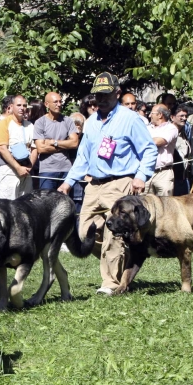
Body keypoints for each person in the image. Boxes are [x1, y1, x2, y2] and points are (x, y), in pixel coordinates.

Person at [57, 72, 157, 296]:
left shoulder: (130, 119)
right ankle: (126, 256)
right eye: (97, 96)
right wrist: (68, 182)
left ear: (117, 93)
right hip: (93, 185)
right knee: (85, 233)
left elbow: (149, 150)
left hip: (120, 183)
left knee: (114, 233)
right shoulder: (91, 122)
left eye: (105, 95)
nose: (100, 99)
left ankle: (111, 283)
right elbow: (82, 157)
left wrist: (141, 176)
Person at [0, 94, 37, 200]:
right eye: (19, 105)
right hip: (8, 169)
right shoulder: (3, 124)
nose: (22, 108)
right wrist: (18, 168)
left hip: (26, 170)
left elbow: (34, 148)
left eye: (24, 105)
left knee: (26, 205)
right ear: (11, 107)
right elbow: (2, 149)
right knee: (7, 206)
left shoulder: (30, 125)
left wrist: (29, 167)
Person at [33, 92, 79, 190]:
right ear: (47, 104)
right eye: (55, 102)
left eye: (60, 101)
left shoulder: (68, 121)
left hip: (66, 169)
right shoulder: (40, 122)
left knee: (65, 203)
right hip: (47, 170)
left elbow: (74, 143)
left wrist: (54, 142)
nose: (59, 104)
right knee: (46, 203)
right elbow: (41, 148)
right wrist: (65, 145)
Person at [145, 104, 178, 196]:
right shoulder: (146, 128)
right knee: (143, 204)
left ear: (160, 115)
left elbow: (159, 141)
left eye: (152, 113)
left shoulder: (171, 128)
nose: (149, 115)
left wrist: (142, 141)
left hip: (163, 173)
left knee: (165, 205)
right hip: (146, 172)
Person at [171, 105, 193, 196]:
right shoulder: (169, 133)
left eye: (186, 116)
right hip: (173, 178)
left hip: (184, 178)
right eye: (181, 116)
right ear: (172, 117)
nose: (184, 118)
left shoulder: (185, 133)